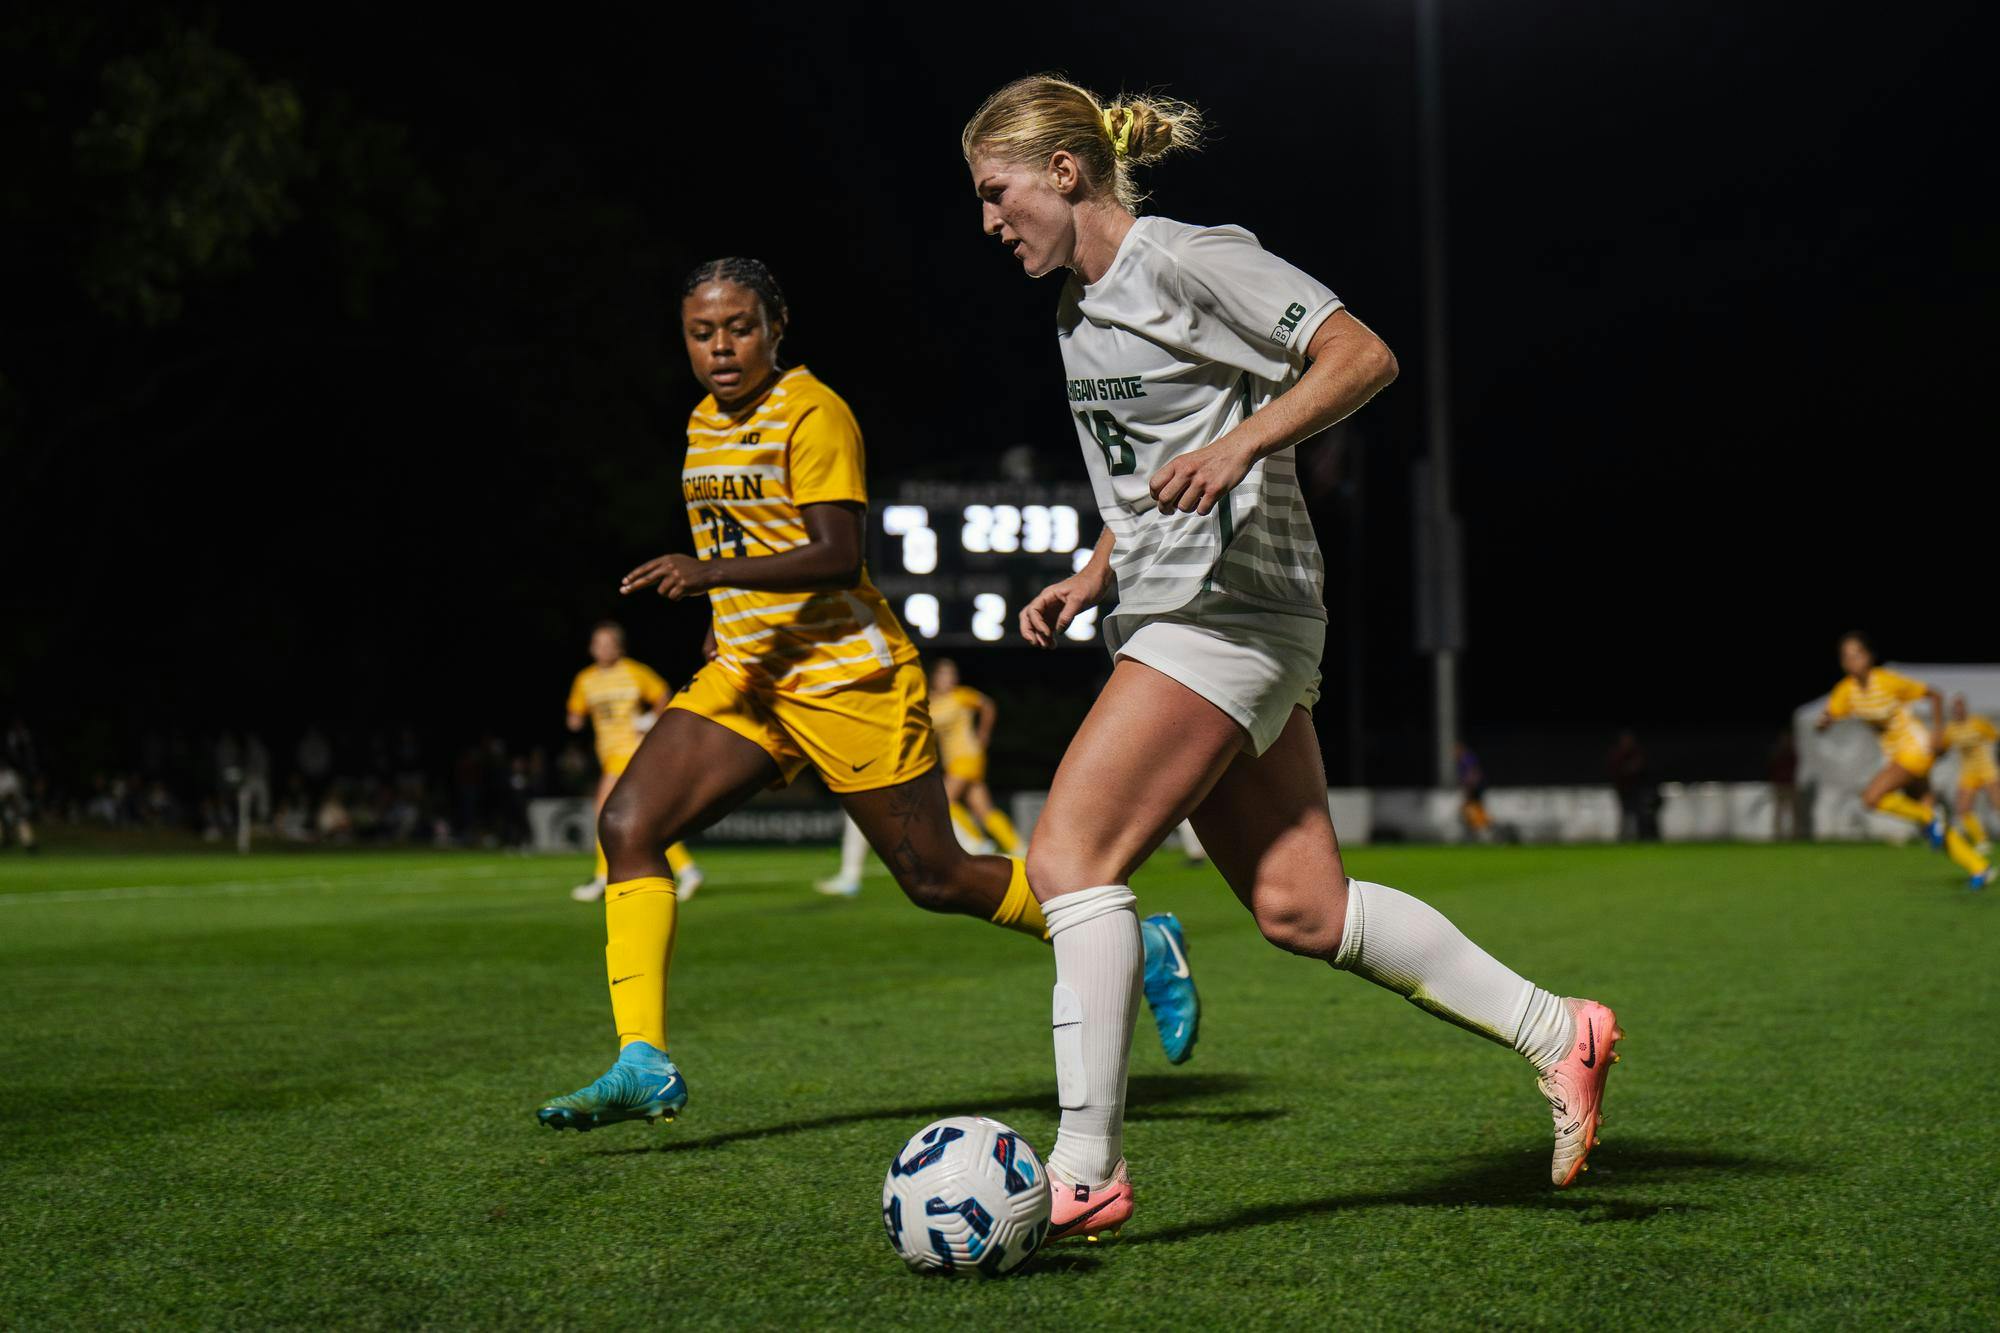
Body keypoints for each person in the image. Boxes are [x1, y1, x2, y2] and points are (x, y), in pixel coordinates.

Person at [962, 75, 1620, 1242]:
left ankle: (1082, 1168)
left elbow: (1360, 356)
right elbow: (1147, 472)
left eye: (995, 192)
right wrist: (1095, 567)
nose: (988, 221)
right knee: (1301, 908)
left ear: (1064, 173)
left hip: (1230, 610)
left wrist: (1246, 443)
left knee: (1069, 856)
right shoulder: (1073, 312)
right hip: (1176, 605)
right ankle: (1555, 1029)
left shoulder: (1189, 259)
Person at [536, 257, 1197, 1133]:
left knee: (936, 876)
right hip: (749, 674)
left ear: (777, 325)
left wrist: (709, 573)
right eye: (703, 333)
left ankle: (1141, 941)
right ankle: (644, 1060)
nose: (722, 347)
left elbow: (836, 551)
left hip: (852, 679)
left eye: (739, 327)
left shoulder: (814, 411)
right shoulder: (702, 423)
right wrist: (720, 611)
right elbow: (744, 536)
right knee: (627, 824)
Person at [1815, 632, 1992, 888]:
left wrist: (1938, 733)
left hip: (1915, 749)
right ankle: (1979, 868)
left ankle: (1931, 817)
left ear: (1869, 656)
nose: (1852, 661)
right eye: (1846, 656)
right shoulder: (1846, 692)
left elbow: (1935, 695)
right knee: (1932, 828)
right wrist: (1823, 723)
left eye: (1857, 654)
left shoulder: (1887, 681)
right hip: (1897, 755)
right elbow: (1829, 716)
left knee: (1871, 798)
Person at [565, 621, 704, 903]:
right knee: (643, 819)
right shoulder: (585, 679)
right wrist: (575, 719)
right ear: (592, 648)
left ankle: (602, 877)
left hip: (632, 750)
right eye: (598, 643)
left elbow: (663, 697)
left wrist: (650, 719)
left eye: (608, 643)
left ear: (619, 646)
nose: (603, 648)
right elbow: (575, 715)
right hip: (608, 754)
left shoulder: (635, 672)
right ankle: (688, 870)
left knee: (604, 809)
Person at [929, 658, 1022, 854]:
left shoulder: (961, 695)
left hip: (968, 756)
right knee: (983, 809)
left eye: (952, 674)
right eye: (944, 674)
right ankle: (1017, 846)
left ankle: (976, 842)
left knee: (944, 802)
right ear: (934, 677)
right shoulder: (930, 702)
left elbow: (988, 705)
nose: (950, 679)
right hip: (953, 761)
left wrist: (984, 733)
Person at [1940, 694, 1999, 859]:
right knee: (1963, 809)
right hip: (1968, 772)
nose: (1958, 710)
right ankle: (1982, 840)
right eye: (1955, 707)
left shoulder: (1978, 723)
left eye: (1960, 706)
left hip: (1987, 769)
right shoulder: (1951, 729)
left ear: (1965, 708)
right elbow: (1942, 747)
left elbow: (1995, 737)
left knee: (1997, 805)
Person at [1453, 741, 1493, 842]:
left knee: (1471, 808)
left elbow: (1472, 773)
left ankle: (1483, 829)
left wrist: (1469, 788)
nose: (1454, 753)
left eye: (1455, 751)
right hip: (1475, 787)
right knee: (1470, 808)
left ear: (1460, 750)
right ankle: (1479, 828)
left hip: (1474, 788)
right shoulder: (1464, 759)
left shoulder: (1466, 759)